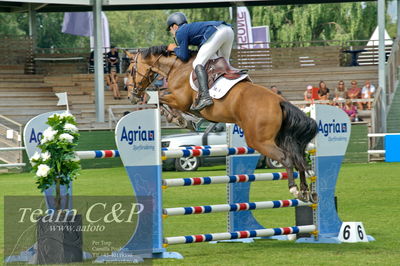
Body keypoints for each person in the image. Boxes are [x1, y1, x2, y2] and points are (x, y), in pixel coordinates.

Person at [166, 12, 233, 111]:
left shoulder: (180, 31)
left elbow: (184, 56)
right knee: (223, 64)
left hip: (217, 33)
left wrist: (174, 48)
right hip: (228, 30)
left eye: (170, 29)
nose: (171, 32)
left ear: (175, 26)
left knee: (197, 63)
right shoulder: (191, 28)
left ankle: (205, 97)